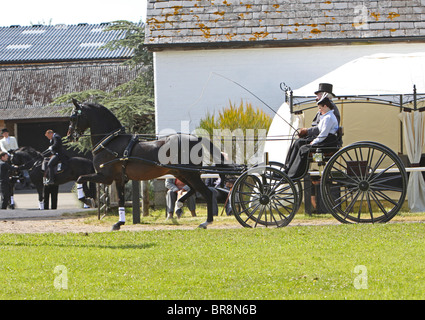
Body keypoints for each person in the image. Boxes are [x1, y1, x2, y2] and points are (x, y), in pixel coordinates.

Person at [285, 94, 339, 179]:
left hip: (327, 142)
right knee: (298, 142)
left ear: (325, 106)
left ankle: (293, 173)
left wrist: (313, 142)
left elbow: (323, 134)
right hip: (324, 139)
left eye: (320, 108)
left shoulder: (329, 117)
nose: (319, 110)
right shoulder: (325, 116)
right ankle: (288, 168)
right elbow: (319, 129)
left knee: (303, 148)